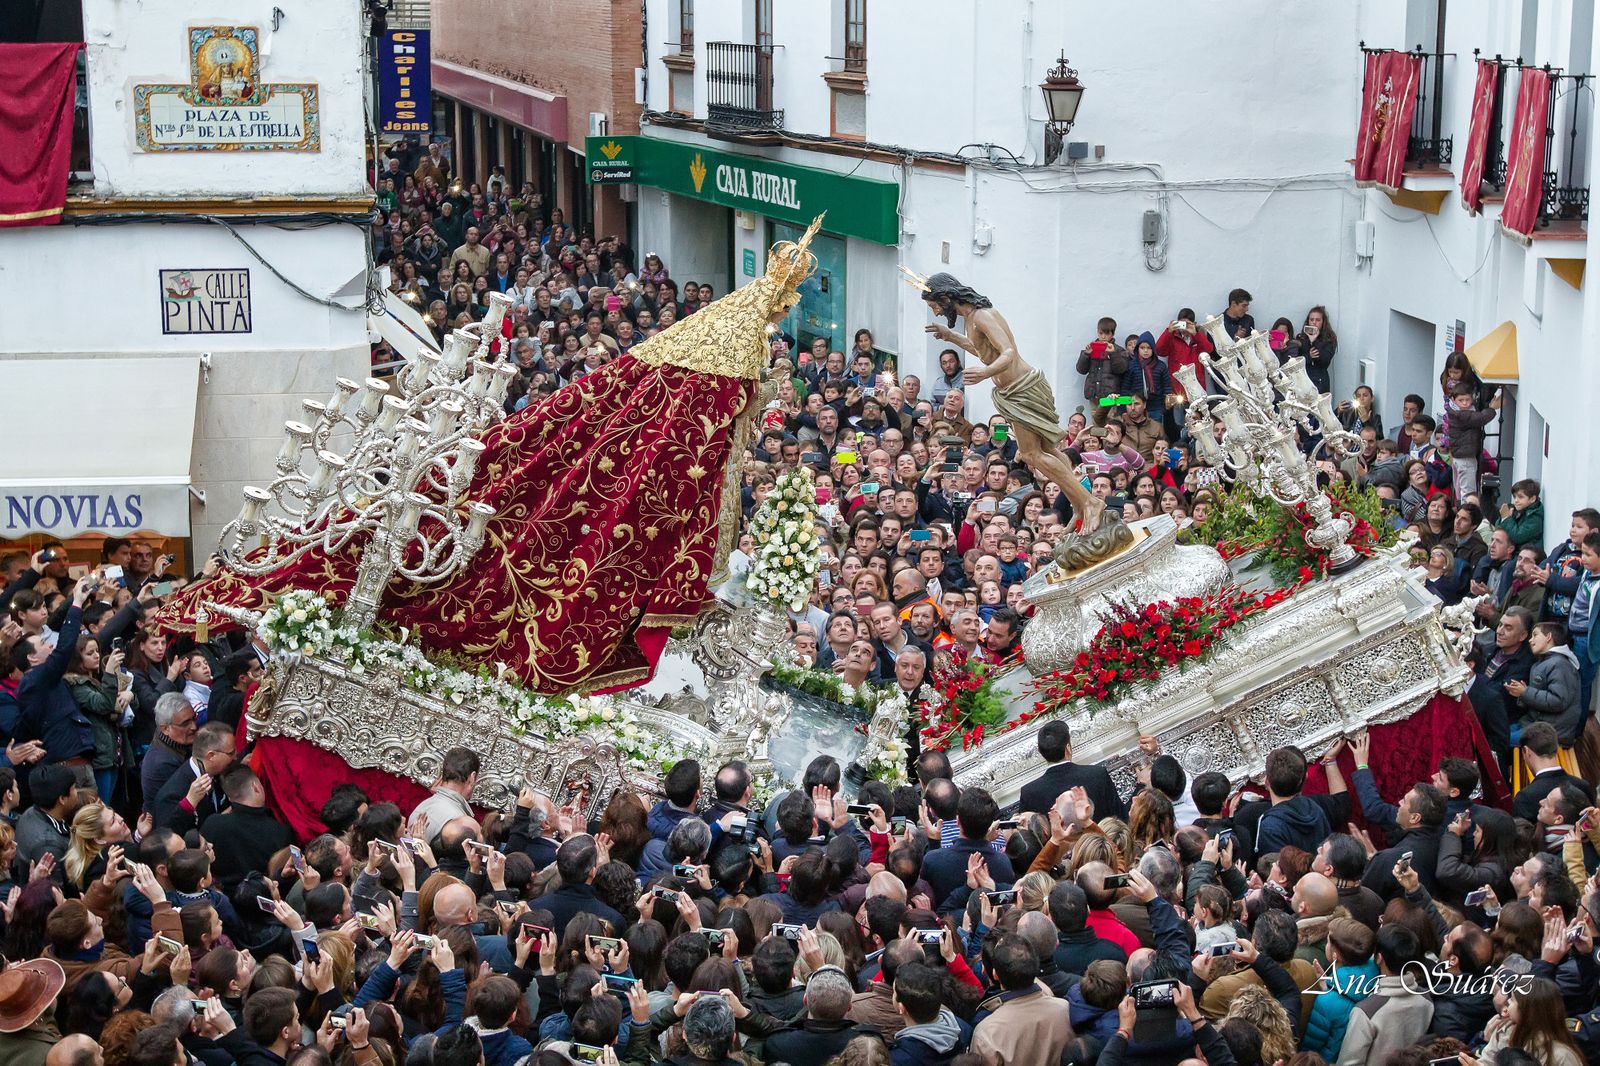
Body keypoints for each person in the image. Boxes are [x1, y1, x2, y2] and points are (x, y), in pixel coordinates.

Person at [1017, 720, 1125, 821]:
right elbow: (1120, 818)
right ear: (1068, 748)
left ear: (1040, 751)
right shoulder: (1097, 775)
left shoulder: (1029, 793)